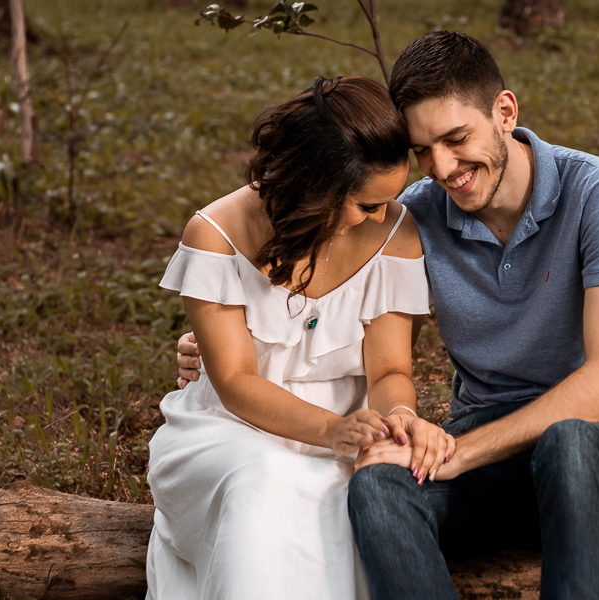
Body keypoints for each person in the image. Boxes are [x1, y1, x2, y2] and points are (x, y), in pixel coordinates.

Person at [178, 32, 599, 599]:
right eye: (424, 150)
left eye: (456, 138)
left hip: (598, 447)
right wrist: (220, 339)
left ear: (504, 112)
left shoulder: (597, 190)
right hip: (485, 442)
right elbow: (329, 255)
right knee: (378, 483)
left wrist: (460, 453)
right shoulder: (416, 216)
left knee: (567, 442)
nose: (444, 168)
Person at [145, 75, 453, 600]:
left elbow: (389, 370)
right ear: (317, 185)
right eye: (365, 204)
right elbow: (236, 382)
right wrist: (332, 430)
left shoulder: (395, 231)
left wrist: (398, 413)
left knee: (357, 498)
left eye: (388, 200)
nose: (381, 216)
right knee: (260, 481)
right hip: (231, 429)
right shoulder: (216, 235)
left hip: (353, 428)